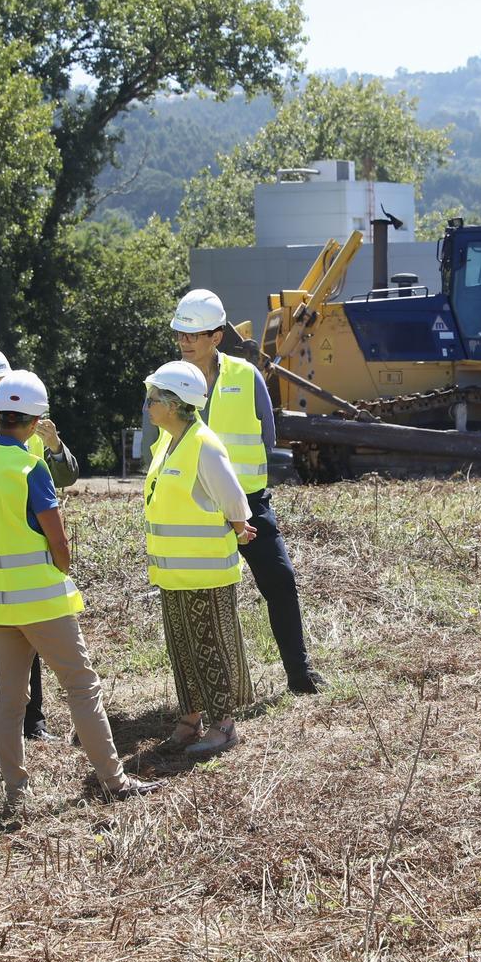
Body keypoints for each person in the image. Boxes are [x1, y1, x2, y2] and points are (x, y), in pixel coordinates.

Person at [0, 369, 159, 802]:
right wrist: (63, 569)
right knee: (81, 686)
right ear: (35, 422)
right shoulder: (30, 466)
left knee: (9, 698)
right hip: (42, 599)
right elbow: (57, 537)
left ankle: (15, 790)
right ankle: (115, 780)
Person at [166, 288, 330, 696]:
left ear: (216, 336)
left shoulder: (246, 376)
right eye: (180, 335)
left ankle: (299, 673)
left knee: (281, 580)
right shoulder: (166, 383)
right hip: (192, 509)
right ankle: (208, 690)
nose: (185, 342)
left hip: (249, 504)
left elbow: (268, 439)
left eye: (194, 334)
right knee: (201, 601)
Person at [0, 343, 84, 745]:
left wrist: (55, 448)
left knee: (23, 656)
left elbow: (62, 478)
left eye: (0, 385)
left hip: (22, 564)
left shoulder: (26, 428)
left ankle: (34, 724)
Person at [143, 361, 257, 756]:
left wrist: (240, 526)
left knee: (211, 646)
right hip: (174, 573)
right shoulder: (168, 441)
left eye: (154, 397)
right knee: (183, 648)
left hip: (206, 572)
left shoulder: (204, 444)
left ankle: (223, 726)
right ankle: (191, 719)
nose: (148, 404)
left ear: (174, 405)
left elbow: (234, 500)